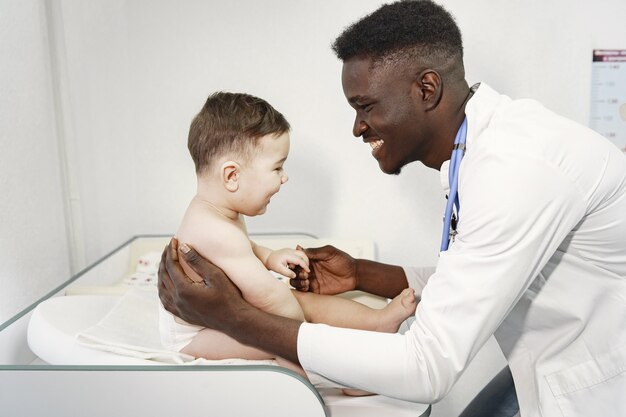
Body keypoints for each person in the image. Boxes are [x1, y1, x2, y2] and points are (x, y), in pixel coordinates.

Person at [158, 2, 626, 416]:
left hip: (601, 381)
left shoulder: (515, 170)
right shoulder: (477, 149)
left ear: (426, 90)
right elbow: (474, 269)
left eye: (365, 106)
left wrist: (234, 319)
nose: (358, 128)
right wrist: (360, 273)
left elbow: (427, 369)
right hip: (558, 360)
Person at [161, 91, 418, 381]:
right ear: (232, 176)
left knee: (300, 305)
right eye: (277, 167)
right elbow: (271, 298)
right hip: (197, 337)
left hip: (218, 314)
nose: (284, 177)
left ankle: (376, 322)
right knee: (278, 338)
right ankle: (341, 376)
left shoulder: (218, 211)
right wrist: (302, 334)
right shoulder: (214, 229)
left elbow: (243, 249)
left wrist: (269, 257)